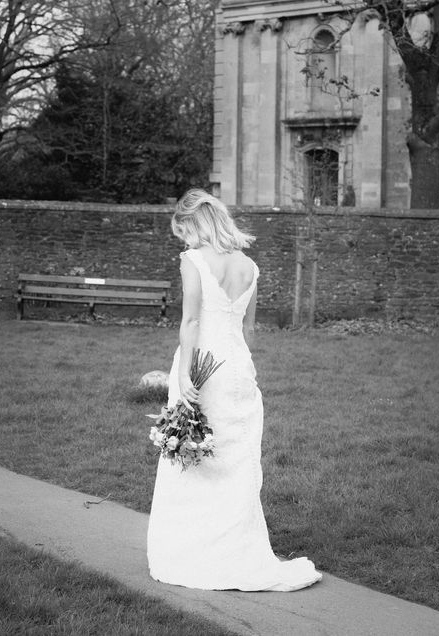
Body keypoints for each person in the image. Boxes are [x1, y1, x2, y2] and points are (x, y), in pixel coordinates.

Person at [147, 188, 322, 592]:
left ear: (195, 223)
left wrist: (188, 374)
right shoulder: (249, 266)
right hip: (237, 370)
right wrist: (241, 369)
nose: (185, 242)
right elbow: (248, 330)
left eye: (184, 232)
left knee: (191, 457)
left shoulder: (192, 260)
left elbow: (191, 322)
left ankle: (190, 553)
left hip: (201, 366)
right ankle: (236, 550)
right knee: (233, 458)